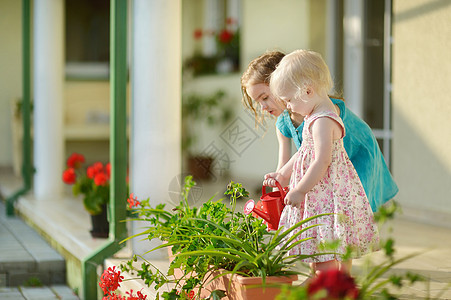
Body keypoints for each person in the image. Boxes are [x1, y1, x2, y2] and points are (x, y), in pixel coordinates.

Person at [262, 49, 380, 276]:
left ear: (307, 91)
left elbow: (321, 161)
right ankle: (339, 282)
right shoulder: (313, 116)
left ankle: (328, 282)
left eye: (289, 100)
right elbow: (305, 151)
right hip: (324, 191)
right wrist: (284, 174)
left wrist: (299, 190)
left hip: (325, 192)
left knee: (323, 239)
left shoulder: (323, 121)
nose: (287, 107)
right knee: (329, 238)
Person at [241, 50, 398, 212]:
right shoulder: (284, 124)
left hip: (356, 157)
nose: (262, 107)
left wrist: (301, 190)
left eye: (265, 97)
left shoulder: (324, 114)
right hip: (327, 165)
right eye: (258, 102)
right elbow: (285, 165)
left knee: (356, 210)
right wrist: (276, 201)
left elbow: (323, 159)